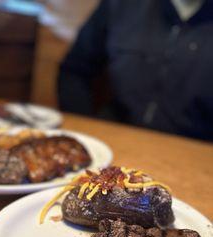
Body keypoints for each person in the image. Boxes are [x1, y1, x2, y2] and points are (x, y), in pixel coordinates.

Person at [58, 0, 213, 141]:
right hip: (115, 134)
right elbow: (74, 69)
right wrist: (85, 129)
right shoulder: (122, 4)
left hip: (195, 147)